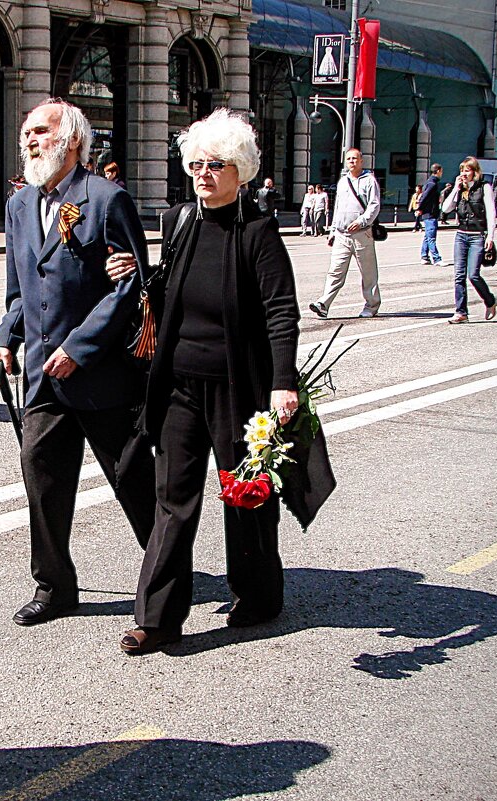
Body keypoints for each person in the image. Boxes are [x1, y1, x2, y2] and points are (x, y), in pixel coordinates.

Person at [107, 108, 329, 655]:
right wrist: (137, 277)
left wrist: (283, 382)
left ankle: (257, 592)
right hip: (180, 383)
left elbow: (281, 310)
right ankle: (156, 618)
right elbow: (171, 292)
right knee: (172, 496)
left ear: (241, 171)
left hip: (239, 385)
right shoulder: (180, 221)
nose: (204, 173)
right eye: (198, 163)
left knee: (243, 494)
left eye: (218, 164)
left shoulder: (257, 232)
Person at [0, 98, 156, 628]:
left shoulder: (106, 199)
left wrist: (78, 348)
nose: (30, 140)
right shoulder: (19, 207)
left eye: (41, 131)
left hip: (100, 375)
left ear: (73, 141)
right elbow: (21, 290)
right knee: (43, 482)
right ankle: (55, 587)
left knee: (133, 480)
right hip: (41, 376)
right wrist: (3, 338)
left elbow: (130, 287)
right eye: (27, 132)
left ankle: (167, 569)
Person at [308, 148, 381, 319]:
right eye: (349, 159)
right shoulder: (342, 182)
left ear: (361, 161)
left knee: (368, 273)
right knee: (335, 271)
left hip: (362, 234)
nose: (352, 162)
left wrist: (362, 221)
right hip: (342, 235)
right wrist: (333, 230)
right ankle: (324, 304)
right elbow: (338, 208)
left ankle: (371, 306)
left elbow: (374, 205)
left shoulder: (369, 181)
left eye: (355, 158)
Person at [442, 156, 497, 324]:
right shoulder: (460, 189)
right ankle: (461, 312)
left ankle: (490, 300)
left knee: (473, 275)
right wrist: (455, 189)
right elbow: (445, 208)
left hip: (477, 236)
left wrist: (491, 236)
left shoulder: (484, 187)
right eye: (462, 171)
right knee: (459, 275)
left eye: (467, 170)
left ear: (475, 172)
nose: (464, 174)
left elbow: (491, 212)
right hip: (461, 235)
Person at [417, 164, 443, 266]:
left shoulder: (430, 182)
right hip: (430, 214)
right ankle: (437, 259)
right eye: (441, 171)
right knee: (431, 237)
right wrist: (420, 208)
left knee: (427, 237)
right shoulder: (432, 184)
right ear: (438, 171)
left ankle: (424, 257)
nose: (442, 173)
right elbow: (424, 197)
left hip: (429, 213)